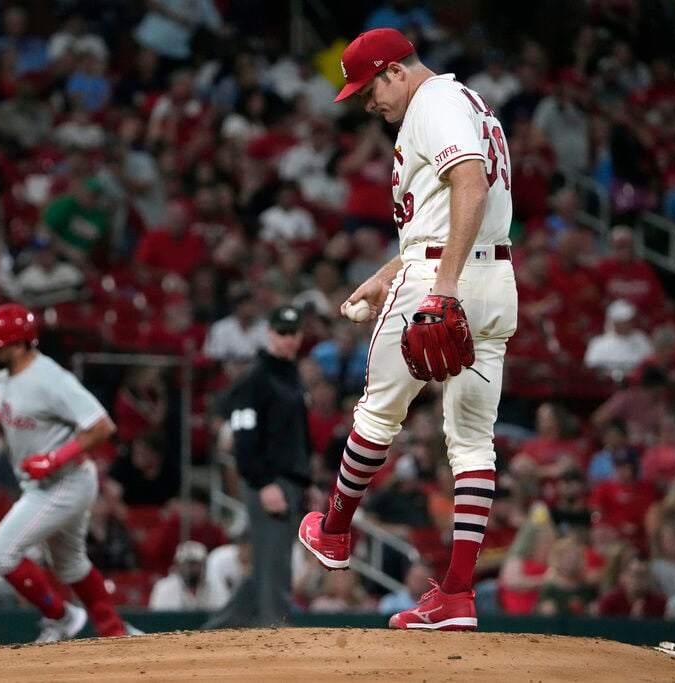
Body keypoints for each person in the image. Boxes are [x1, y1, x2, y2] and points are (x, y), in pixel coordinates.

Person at [297, 28, 517, 632]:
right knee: (472, 442)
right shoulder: (469, 101)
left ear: (395, 70)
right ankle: (457, 596)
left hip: (441, 280)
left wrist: (440, 286)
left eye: (369, 90)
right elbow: (447, 212)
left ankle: (334, 531)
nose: (369, 105)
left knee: (376, 413)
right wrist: (385, 273)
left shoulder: (432, 103)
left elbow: (468, 181)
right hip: (493, 278)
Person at [0, 303, 128, 641]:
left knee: (0, 554)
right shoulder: (6, 371)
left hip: (64, 481)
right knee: (69, 565)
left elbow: (102, 426)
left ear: (18, 345)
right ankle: (114, 632)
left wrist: (54, 459)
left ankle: (62, 617)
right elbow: (6, 402)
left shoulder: (52, 380)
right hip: (49, 482)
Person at [203, 305, 316, 629]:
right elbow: (243, 439)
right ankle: (276, 630)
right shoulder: (255, 378)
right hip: (269, 482)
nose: (288, 339)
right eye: (282, 332)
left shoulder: (291, 375)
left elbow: (298, 437)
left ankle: (217, 632)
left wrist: (306, 482)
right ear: (269, 333)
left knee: (268, 566)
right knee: (276, 566)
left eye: (294, 333)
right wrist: (264, 483)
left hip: (290, 481)